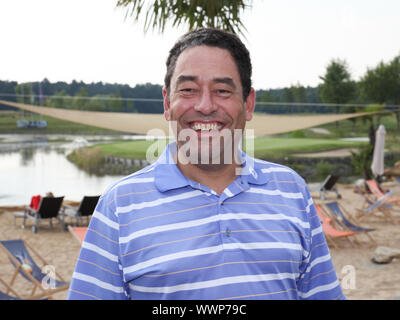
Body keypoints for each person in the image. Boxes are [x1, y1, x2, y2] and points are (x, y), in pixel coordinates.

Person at [67, 28, 345, 300]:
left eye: (222, 90)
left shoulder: (292, 191)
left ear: (248, 104)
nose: (205, 105)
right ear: (167, 102)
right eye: (188, 89)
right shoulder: (119, 206)